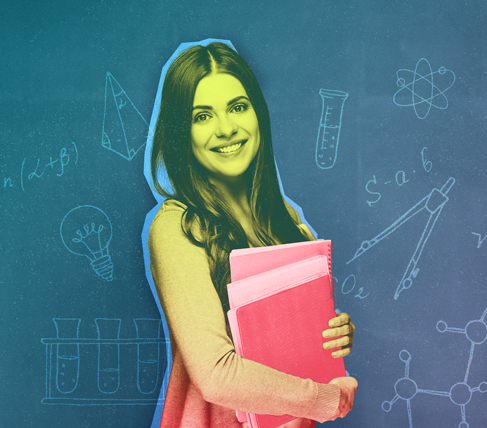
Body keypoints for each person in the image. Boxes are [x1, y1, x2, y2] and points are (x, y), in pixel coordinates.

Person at [148, 41, 358, 428]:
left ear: (258, 115)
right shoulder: (177, 225)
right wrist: (327, 398)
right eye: (202, 116)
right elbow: (215, 374)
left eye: (238, 107)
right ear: (182, 133)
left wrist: (331, 337)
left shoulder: (289, 219)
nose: (226, 128)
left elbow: (291, 346)